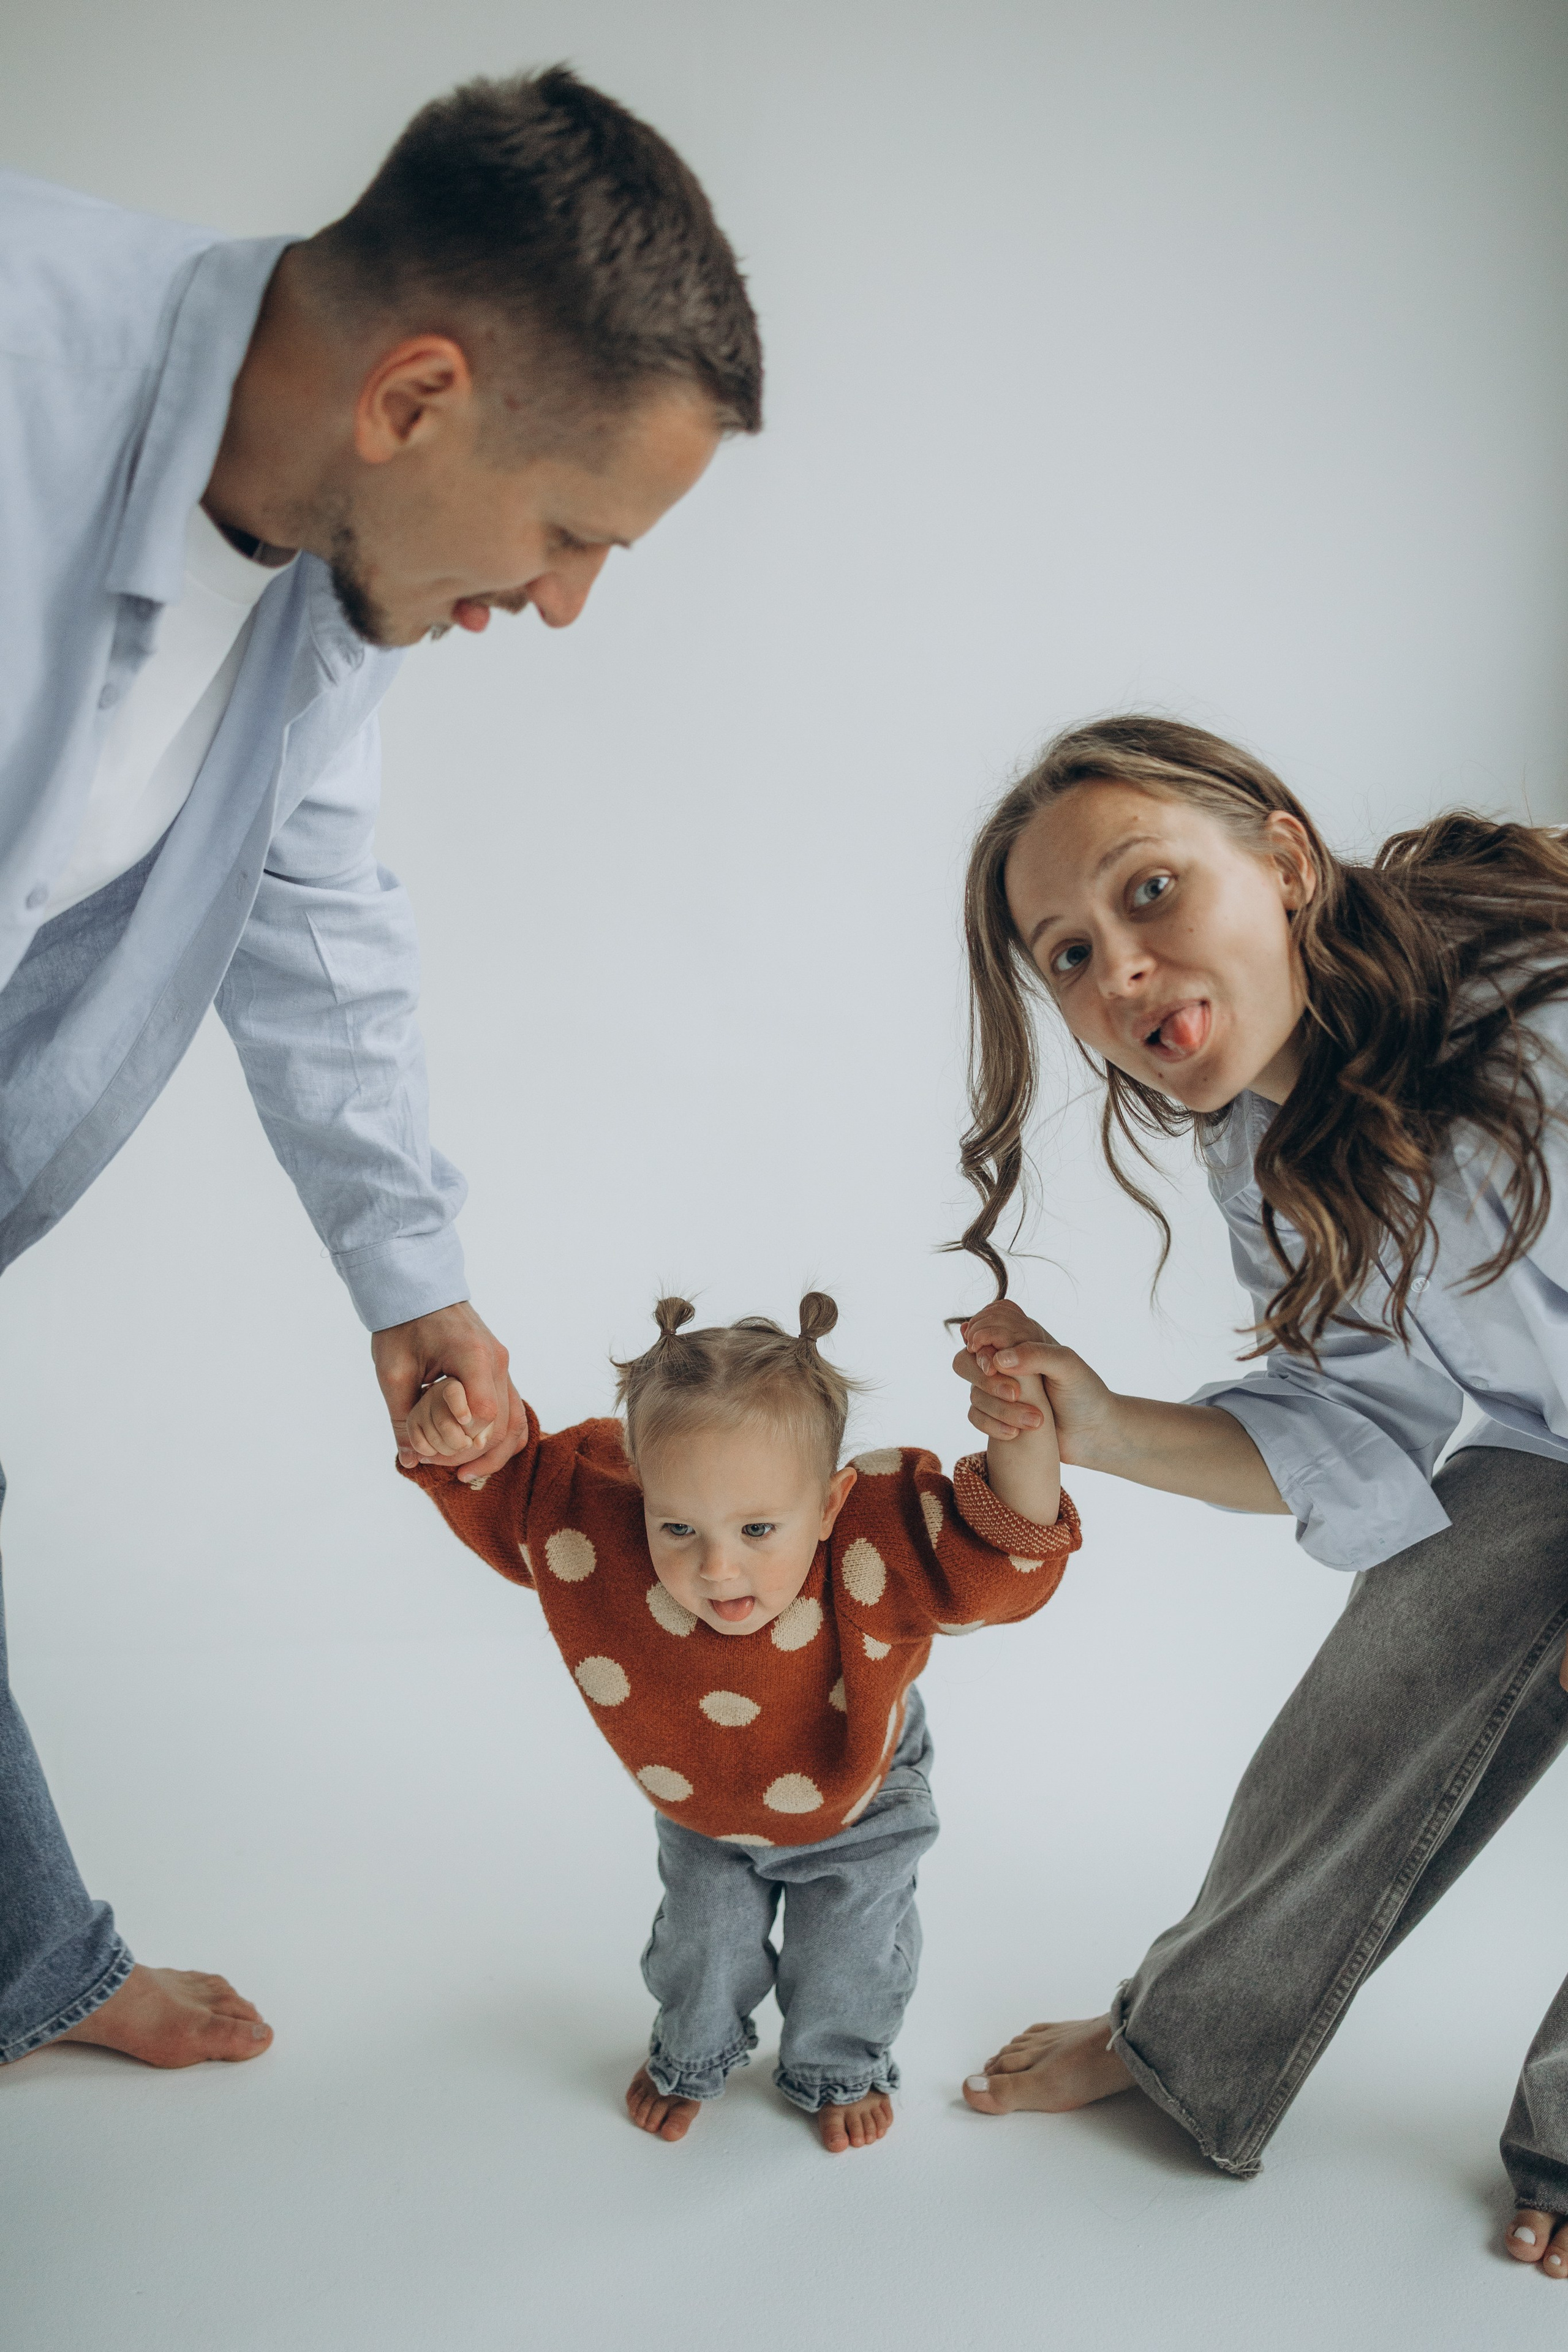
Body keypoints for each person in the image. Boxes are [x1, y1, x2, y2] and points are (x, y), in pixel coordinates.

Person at [0, 68, 762, 2076]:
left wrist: (411, 1280)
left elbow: (308, 911)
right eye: (572, 529)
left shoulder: (326, 598)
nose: (570, 602)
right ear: (416, 400)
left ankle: (24, 1967)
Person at [943, 712, 1568, 2276]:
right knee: (1400, 1654)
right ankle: (1189, 2038)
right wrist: (1095, 1421)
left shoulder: (1534, 1025)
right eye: (1068, 957)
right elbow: (1353, 1412)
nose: (1119, 973)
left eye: (1146, 895)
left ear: (1284, 860)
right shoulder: (1266, 1145)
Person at [398, 1292, 1080, 2151]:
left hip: (856, 1797)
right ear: (639, 1492)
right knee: (701, 1951)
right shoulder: (604, 1531)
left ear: (829, 1506)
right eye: (678, 1525)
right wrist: (458, 1435)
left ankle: (839, 2067)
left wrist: (1024, 1443)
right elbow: (517, 1491)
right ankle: (693, 2054)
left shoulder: (871, 1541)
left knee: (847, 1961)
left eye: (760, 1528)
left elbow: (996, 1566)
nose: (718, 1568)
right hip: (706, 1806)